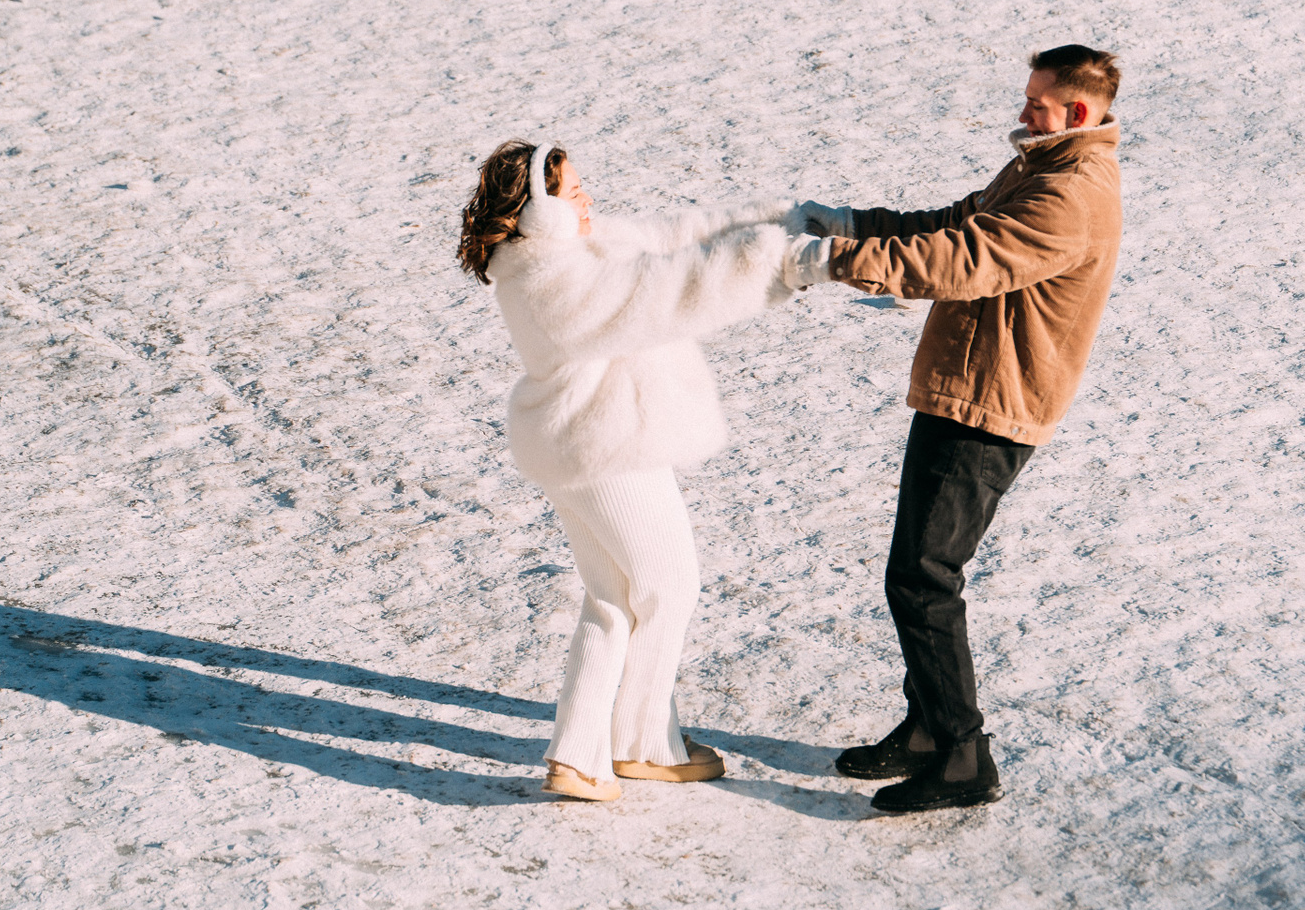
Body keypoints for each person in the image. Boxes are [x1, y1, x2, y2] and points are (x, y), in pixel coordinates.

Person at [781, 44, 1125, 812]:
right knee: (921, 570)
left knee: (923, 577)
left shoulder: (1070, 194)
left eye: (1036, 102)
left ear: (1077, 111)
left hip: (991, 402)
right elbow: (955, 221)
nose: (1022, 112)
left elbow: (965, 258)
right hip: (967, 386)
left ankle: (964, 757)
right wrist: (851, 225)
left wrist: (830, 261)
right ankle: (927, 730)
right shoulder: (1043, 167)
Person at [458, 140, 793, 802]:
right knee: (670, 585)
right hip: (605, 447)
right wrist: (776, 262)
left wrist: (786, 220)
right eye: (571, 193)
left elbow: (670, 239)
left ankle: (579, 757)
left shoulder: (566, 252)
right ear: (536, 211)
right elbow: (659, 290)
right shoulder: (550, 276)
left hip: (584, 445)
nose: (587, 201)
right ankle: (642, 745)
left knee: (613, 596)